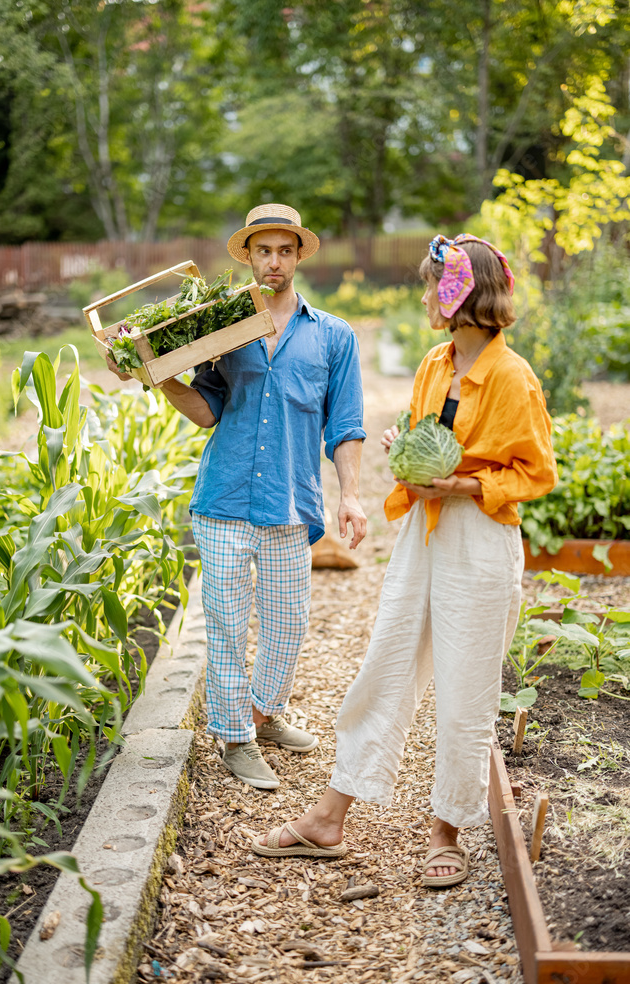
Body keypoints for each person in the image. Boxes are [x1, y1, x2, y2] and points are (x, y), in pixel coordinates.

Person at [252, 233, 558, 886]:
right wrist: (405, 446)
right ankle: (330, 815)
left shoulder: (511, 376)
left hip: (477, 540)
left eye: (430, 287)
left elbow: (534, 473)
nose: (422, 298)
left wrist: (461, 484)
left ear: (457, 295)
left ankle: (446, 828)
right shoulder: (433, 363)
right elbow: (424, 438)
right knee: (383, 664)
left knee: (464, 689)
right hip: (423, 533)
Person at [107, 203, 367, 790]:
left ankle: (264, 714)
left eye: (284, 250)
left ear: (299, 255)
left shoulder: (333, 336)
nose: (273, 262)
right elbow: (206, 413)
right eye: (262, 251)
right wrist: (155, 370)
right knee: (225, 625)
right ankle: (234, 737)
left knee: (287, 624)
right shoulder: (219, 331)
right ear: (247, 257)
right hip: (223, 499)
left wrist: (350, 496)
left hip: (292, 502)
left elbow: (345, 424)